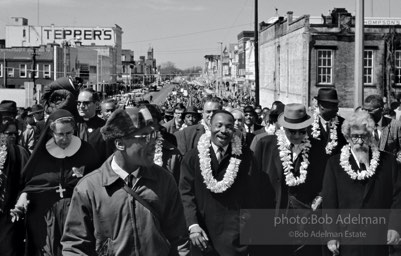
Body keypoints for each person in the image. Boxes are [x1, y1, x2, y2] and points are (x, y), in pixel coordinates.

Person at [61, 109, 189, 255]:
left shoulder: (164, 180)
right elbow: (74, 245)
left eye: (154, 135)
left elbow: (179, 238)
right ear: (120, 144)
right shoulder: (89, 188)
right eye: (145, 137)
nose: (154, 142)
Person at [11, 109, 100, 256]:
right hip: (46, 216)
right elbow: (31, 185)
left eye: (69, 133)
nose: (65, 138)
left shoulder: (86, 151)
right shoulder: (41, 154)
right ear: (52, 133)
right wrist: (22, 198)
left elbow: (96, 181)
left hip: (77, 214)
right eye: (60, 134)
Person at [322, 110, 401, 256]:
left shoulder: (388, 162)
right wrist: (331, 235)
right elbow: (329, 203)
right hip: (347, 239)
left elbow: (398, 197)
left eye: (363, 136)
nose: (359, 141)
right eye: (355, 136)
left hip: (379, 238)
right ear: (347, 137)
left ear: (370, 135)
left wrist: (395, 227)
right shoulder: (334, 164)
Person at [252, 103, 327, 256]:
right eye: (293, 132)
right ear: (283, 128)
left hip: (305, 220)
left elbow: (325, 180)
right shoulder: (265, 145)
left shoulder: (317, 147)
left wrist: (319, 197)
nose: (298, 136)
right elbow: (254, 182)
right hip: (272, 217)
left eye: (302, 132)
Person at [179, 110, 252, 255]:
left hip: (234, 238)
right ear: (209, 126)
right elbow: (186, 193)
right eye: (218, 126)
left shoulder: (246, 157)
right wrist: (193, 225)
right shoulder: (192, 157)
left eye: (229, 127)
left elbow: (253, 194)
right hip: (202, 236)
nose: (223, 131)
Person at [0, 114, 30, 256]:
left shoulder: (20, 152)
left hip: (10, 211)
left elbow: (28, 180)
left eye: (15, 133)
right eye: (8, 133)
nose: (12, 136)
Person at [76, 88, 114, 165]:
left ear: (96, 104)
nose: (81, 106)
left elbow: (108, 157)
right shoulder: (72, 125)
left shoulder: (104, 128)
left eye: (86, 103)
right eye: (79, 103)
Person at [362, 94, 401, 162]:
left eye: (370, 110)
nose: (367, 113)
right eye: (365, 110)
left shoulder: (396, 126)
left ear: (381, 109)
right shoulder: (361, 126)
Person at [309, 88, 347, 156]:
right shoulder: (308, 124)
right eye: (333, 106)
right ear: (321, 106)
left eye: (337, 105)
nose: (337, 109)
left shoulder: (343, 124)